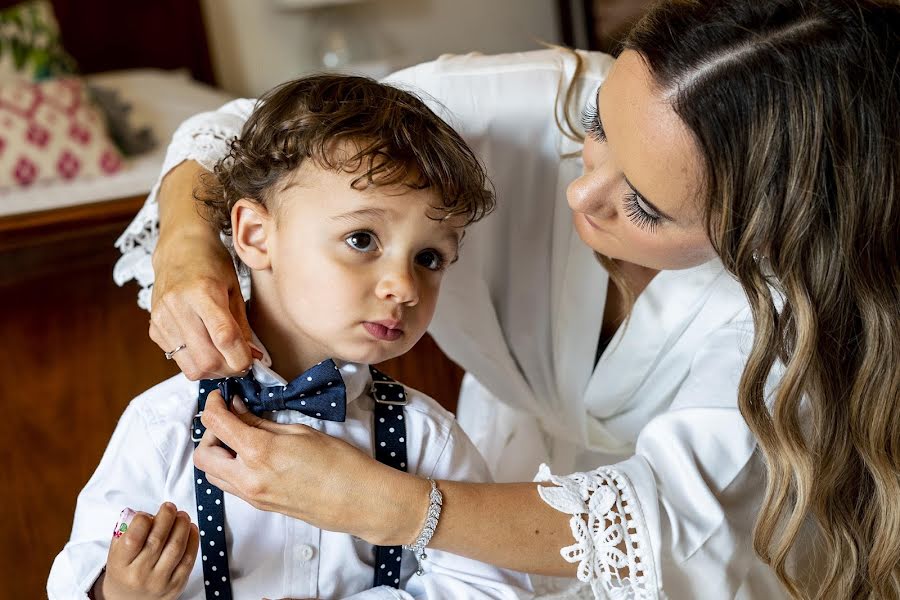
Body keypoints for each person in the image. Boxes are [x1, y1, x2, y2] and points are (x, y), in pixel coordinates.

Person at [113, 1, 900, 598]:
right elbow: (251, 134)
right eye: (598, 128)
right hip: (504, 467)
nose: (583, 192)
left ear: (769, 234)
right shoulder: (516, 110)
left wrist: (389, 507)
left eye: (647, 208)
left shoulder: (804, 303)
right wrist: (188, 238)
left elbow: (654, 516)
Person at [49, 74, 533, 600]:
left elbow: (490, 585)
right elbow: (82, 566)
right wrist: (118, 590)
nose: (404, 287)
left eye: (429, 258)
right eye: (362, 239)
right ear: (256, 235)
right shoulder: (160, 426)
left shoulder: (428, 439)